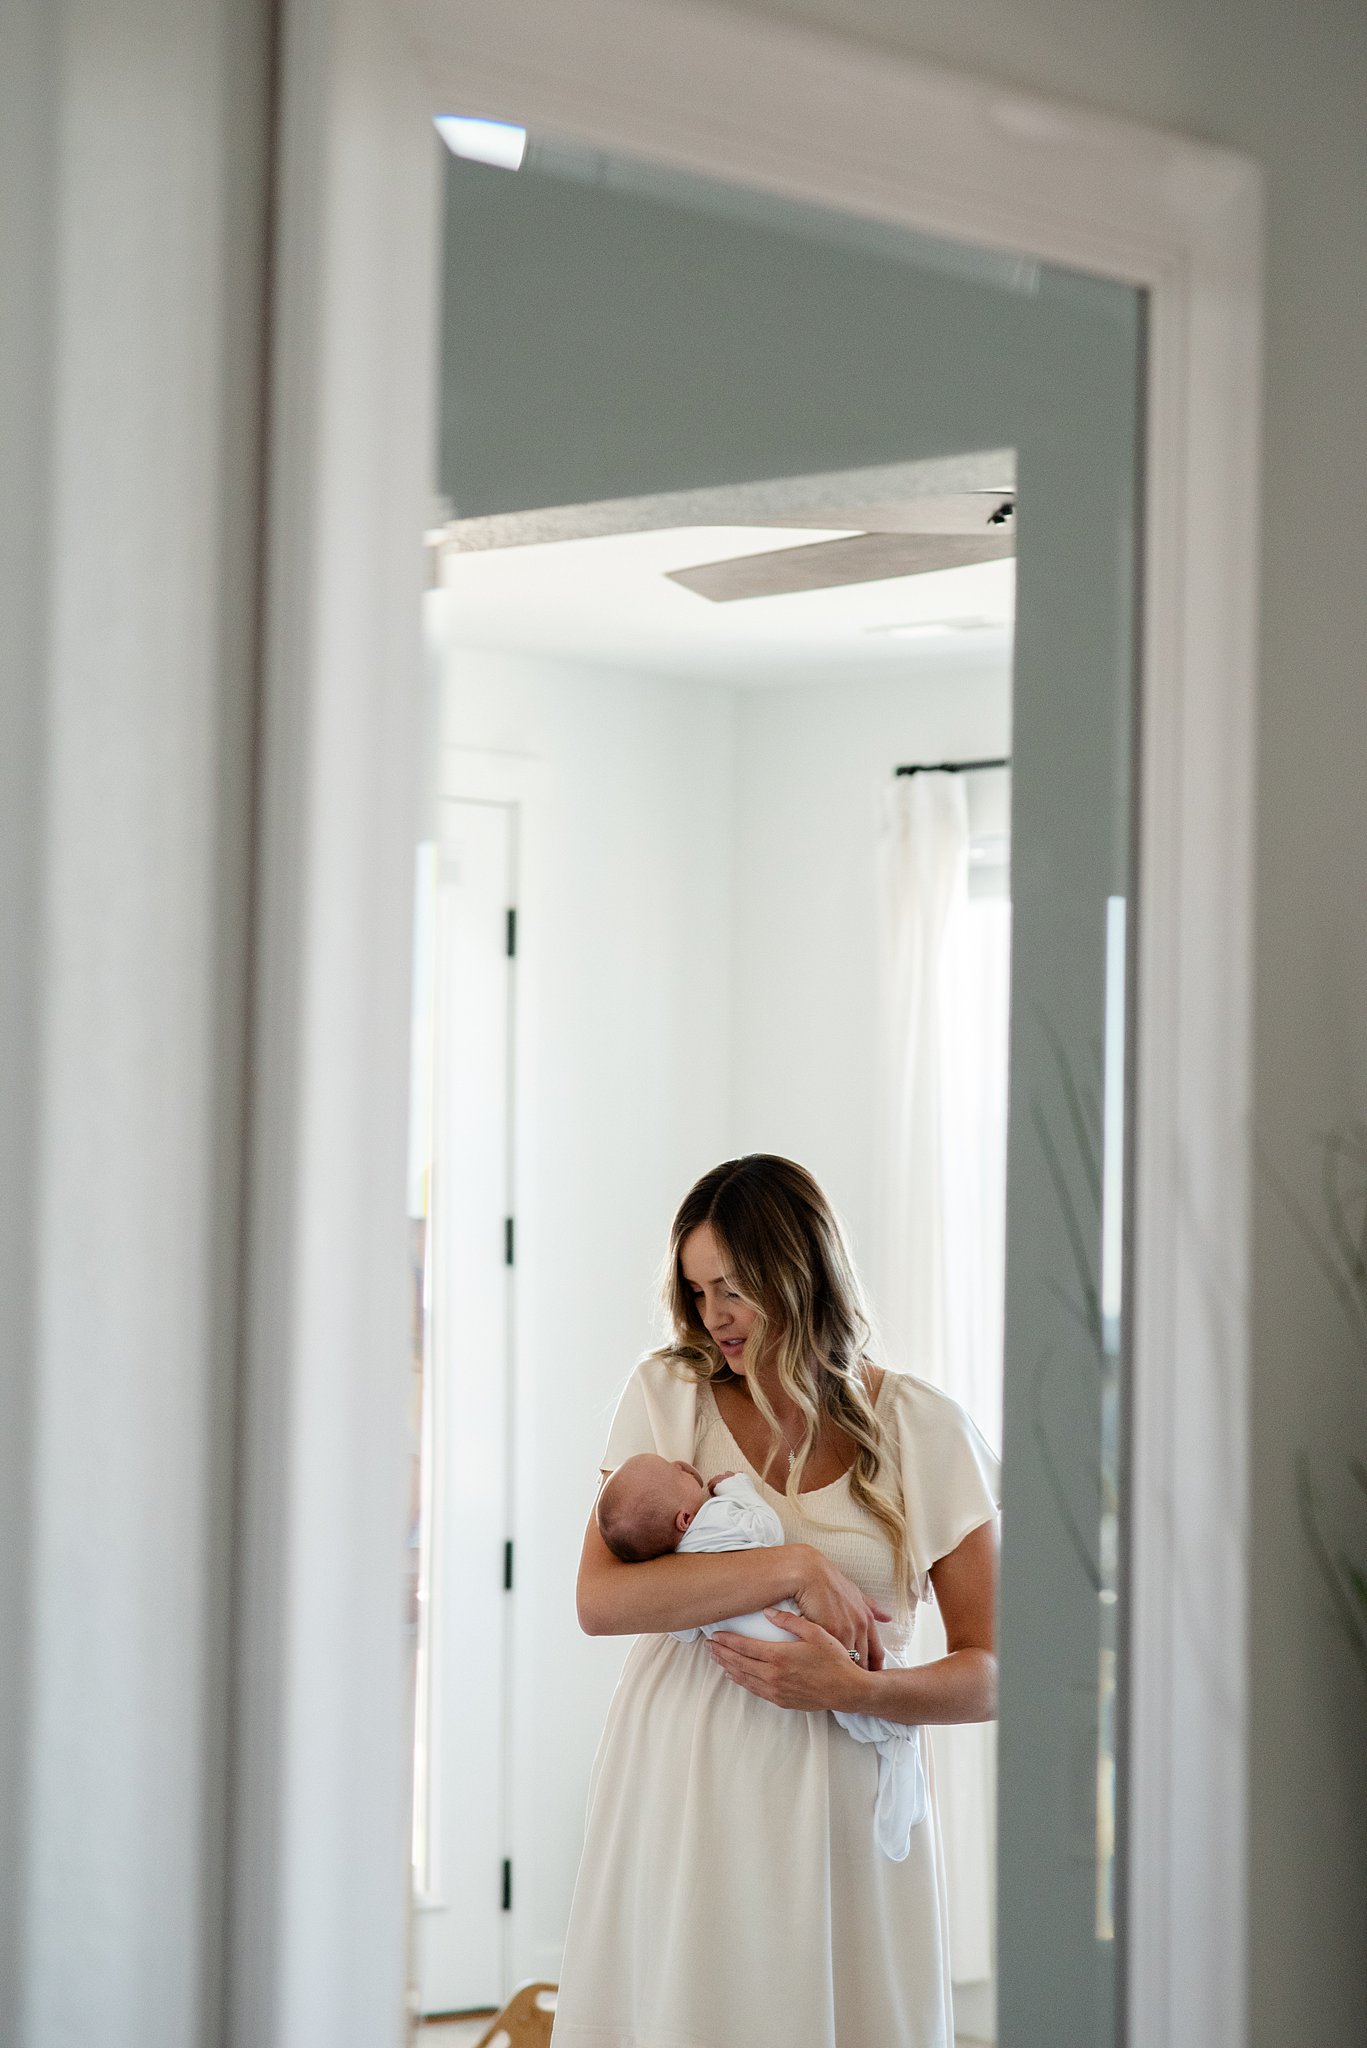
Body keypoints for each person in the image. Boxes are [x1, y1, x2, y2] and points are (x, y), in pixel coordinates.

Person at [551, 1154, 1000, 2048]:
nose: (713, 1316)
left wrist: (859, 1692)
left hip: (844, 1798)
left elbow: (994, 1672)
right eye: (697, 1290)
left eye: (734, 1288)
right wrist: (788, 1567)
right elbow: (601, 1600)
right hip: (685, 1788)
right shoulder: (668, 1395)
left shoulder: (923, 1426)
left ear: (801, 1274)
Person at [597, 1455, 930, 1858]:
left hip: (751, 1660)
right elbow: (766, 1529)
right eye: (677, 1473)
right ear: (684, 1520)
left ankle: (896, 1756)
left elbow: (682, 1629)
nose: (683, 1463)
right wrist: (738, 1487)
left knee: (857, 1708)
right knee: (866, 1684)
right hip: (792, 1630)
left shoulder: (674, 1566)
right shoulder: (717, 1516)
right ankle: (899, 1750)